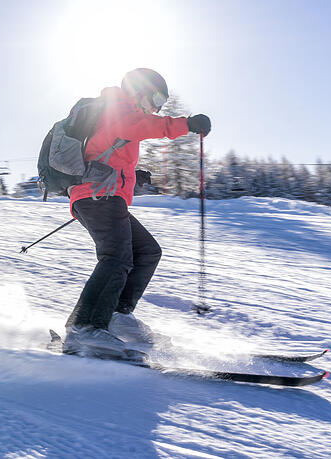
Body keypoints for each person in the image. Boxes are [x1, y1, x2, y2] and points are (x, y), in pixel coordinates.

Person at [63, 68, 211, 357]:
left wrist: (133, 173)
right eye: (155, 98)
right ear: (137, 89)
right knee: (116, 257)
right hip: (97, 195)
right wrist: (186, 124)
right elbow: (140, 127)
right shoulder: (117, 106)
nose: (157, 106)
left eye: (162, 103)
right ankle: (84, 328)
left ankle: (116, 316)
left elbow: (108, 147)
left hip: (105, 195)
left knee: (147, 251)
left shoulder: (121, 112)